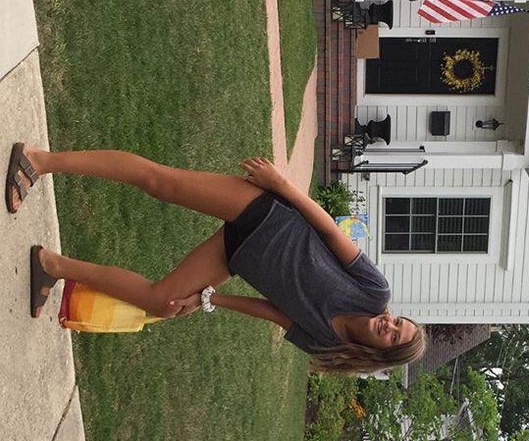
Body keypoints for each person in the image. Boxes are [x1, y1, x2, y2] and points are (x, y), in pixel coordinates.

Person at [6, 143, 425, 374]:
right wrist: (281, 184)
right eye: (397, 322)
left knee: (162, 303)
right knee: (160, 182)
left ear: (381, 353)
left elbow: (274, 312)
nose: (389, 324)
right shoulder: (374, 291)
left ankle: (52, 265)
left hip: (237, 256)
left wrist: (210, 298)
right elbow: (332, 231)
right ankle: (39, 160)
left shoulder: (332, 345)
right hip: (264, 213)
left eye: (392, 336)